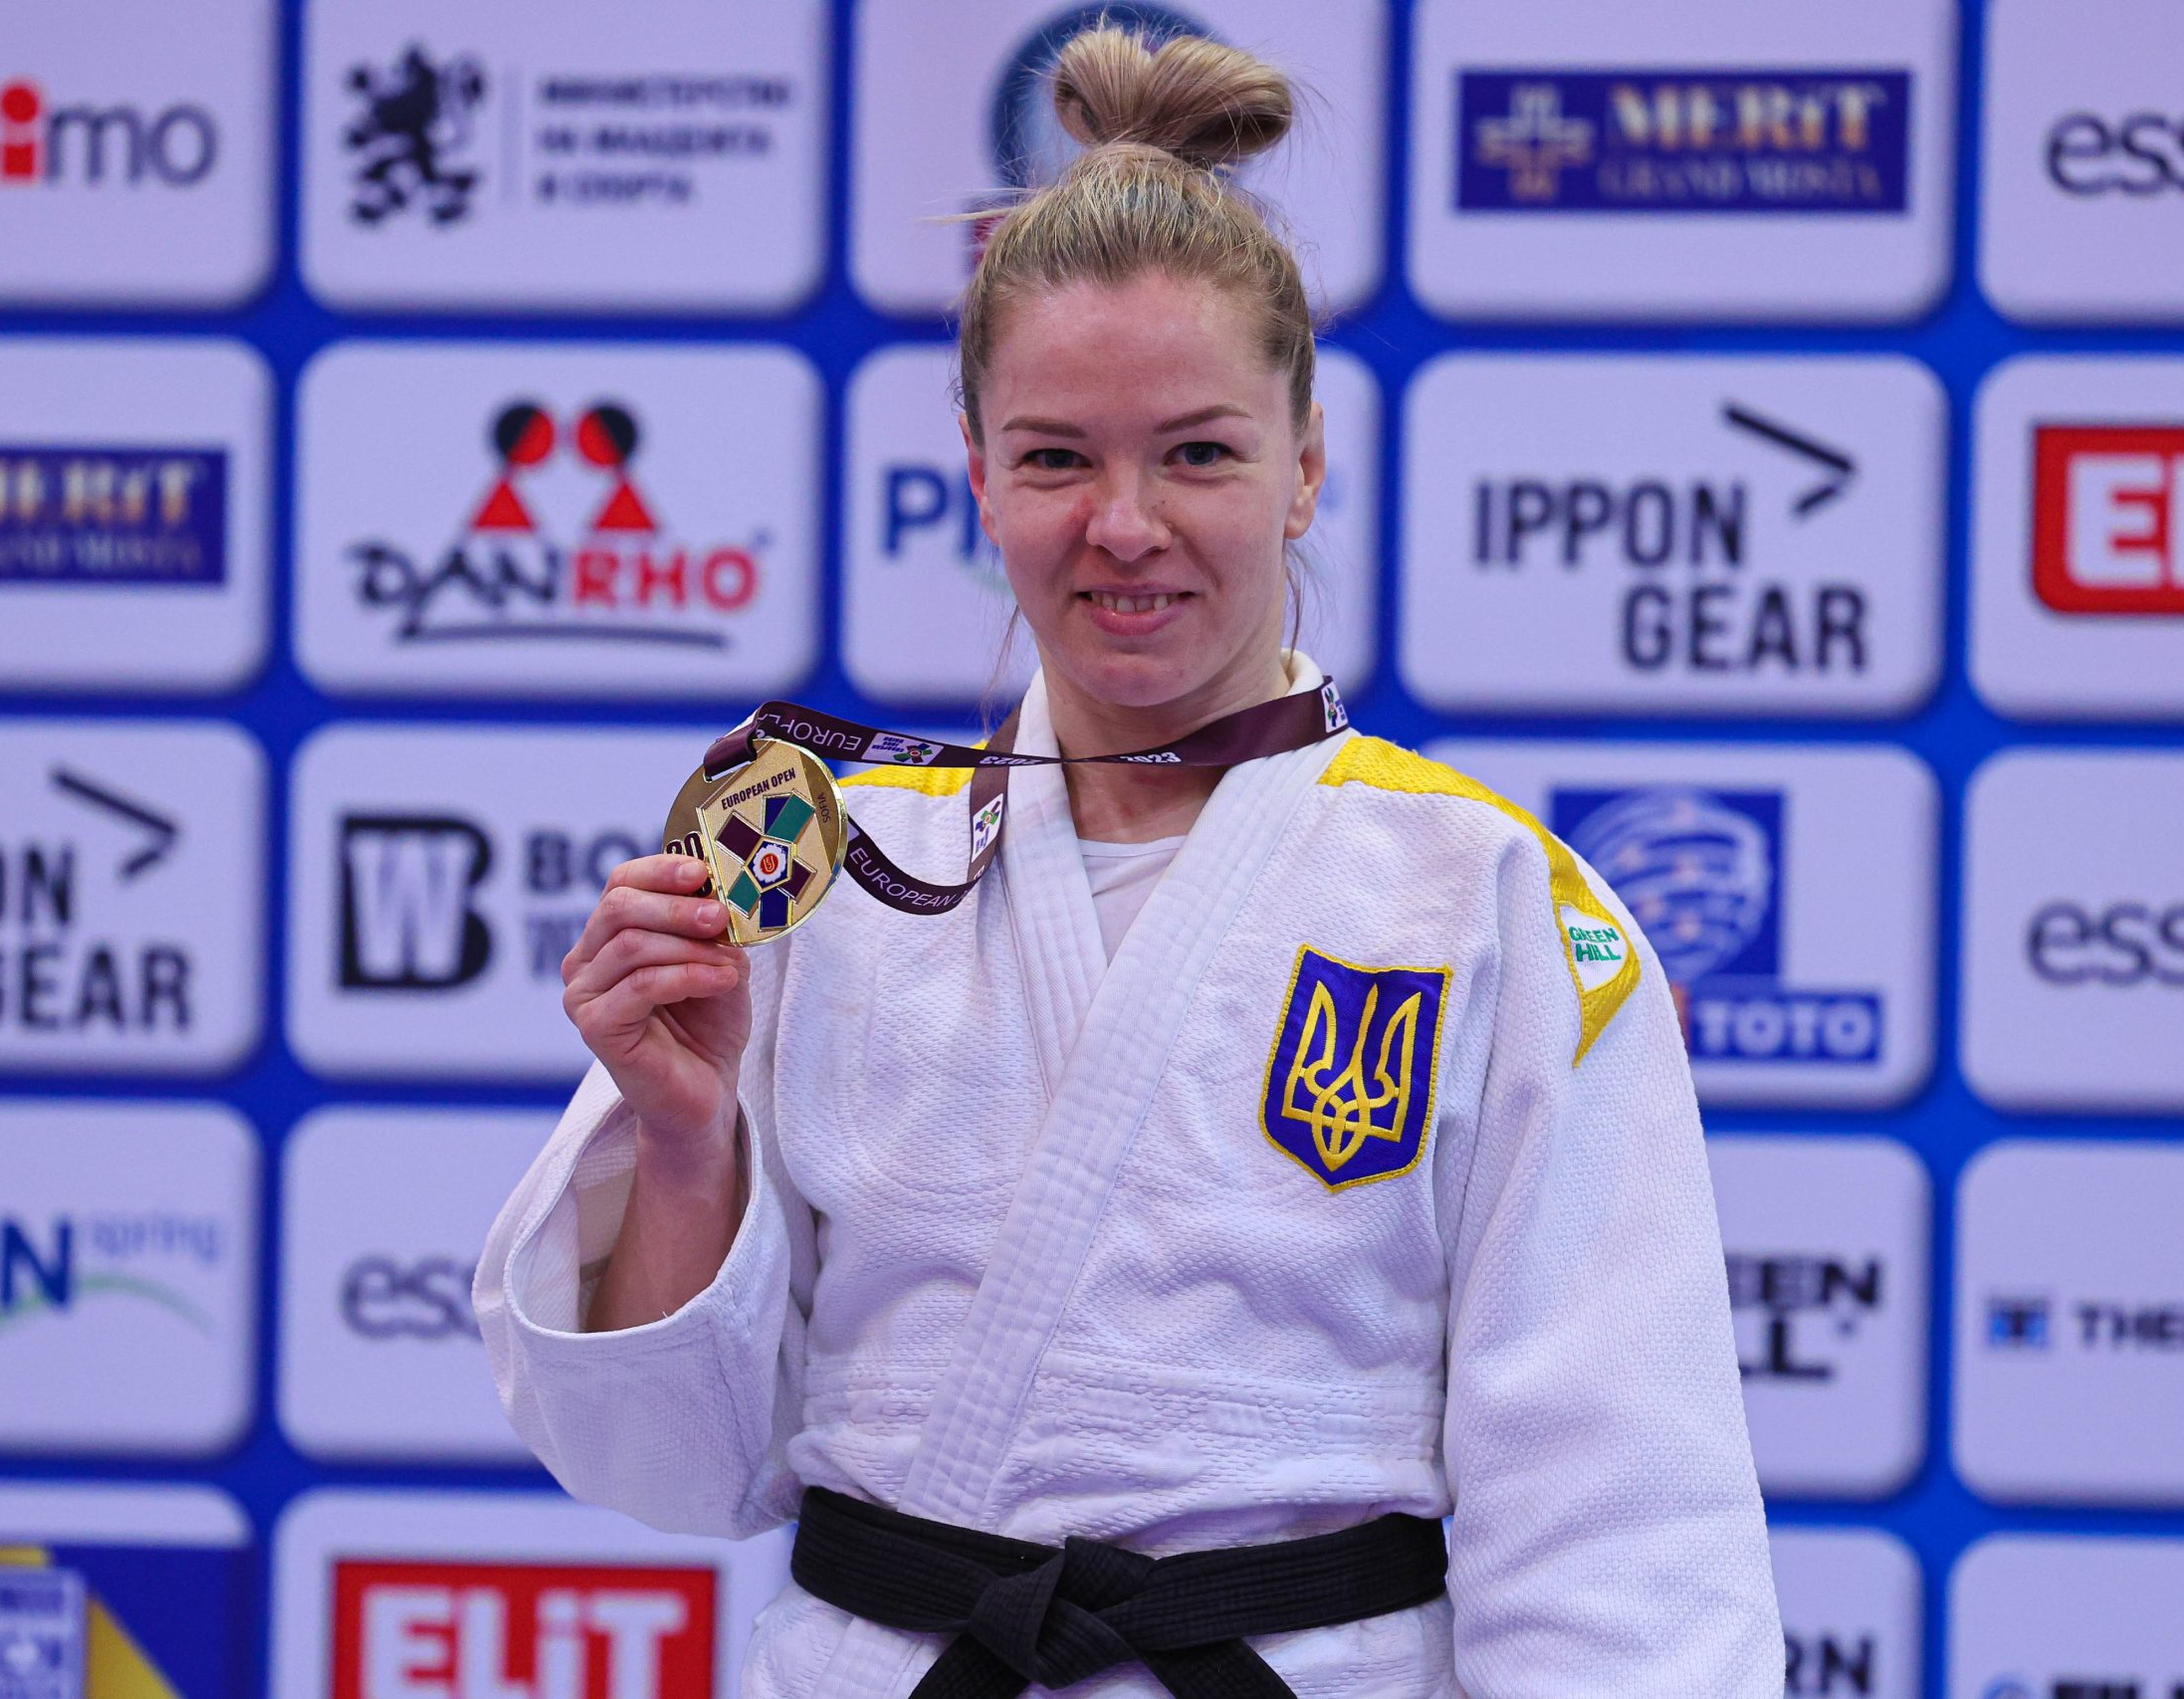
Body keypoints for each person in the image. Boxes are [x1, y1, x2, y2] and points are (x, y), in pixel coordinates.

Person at [477, 27, 1780, 1698]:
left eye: (1199, 452)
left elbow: (1619, 1524)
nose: (1126, 523)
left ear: (1306, 466)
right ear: (977, 475)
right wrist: (679, 1140)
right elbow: (662, 1465)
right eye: (1055, 457)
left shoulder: (1487, 903)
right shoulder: (830, 875)